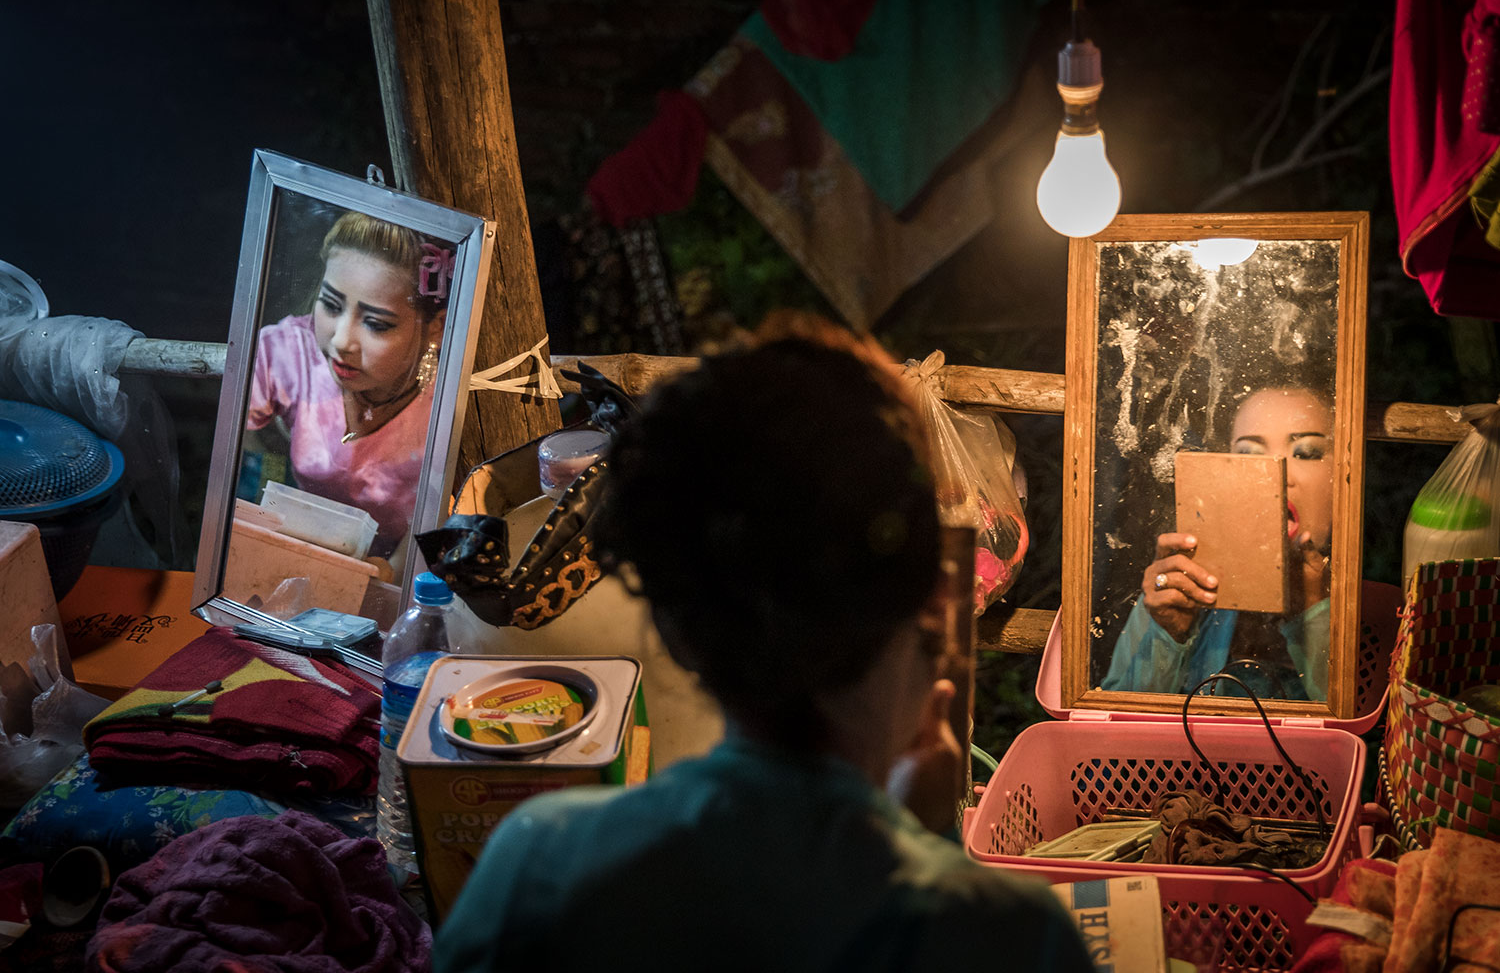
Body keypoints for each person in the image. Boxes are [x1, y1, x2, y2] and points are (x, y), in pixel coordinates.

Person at [435, 314, 1091, 971]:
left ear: (671, 627)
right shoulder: (1014, 935)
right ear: (936, 603)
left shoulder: (536, 864)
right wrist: (933, 840)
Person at [1102, 383, 1335, 700]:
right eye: (1248, 454)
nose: (1276, 473)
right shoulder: (1183, 582)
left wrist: (1313, 612)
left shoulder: (1358, 605)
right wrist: (1168, 631)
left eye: (1305, 453)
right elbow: (1114, 716)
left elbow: (1364, 719)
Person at [246, 211, 453, 559]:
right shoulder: (288, 352)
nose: (342, 341)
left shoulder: (452, 401)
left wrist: (392, 572)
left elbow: (450, 516)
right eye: (330, 305)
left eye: (376, 324)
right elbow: (238, 461)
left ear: (437, 327)